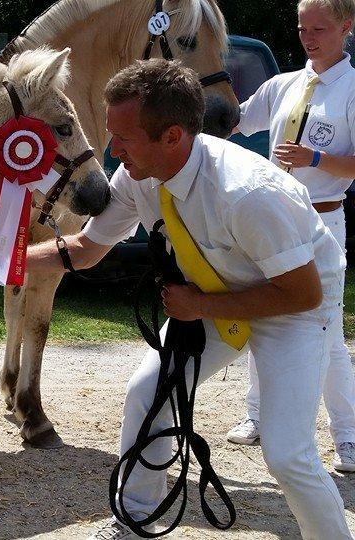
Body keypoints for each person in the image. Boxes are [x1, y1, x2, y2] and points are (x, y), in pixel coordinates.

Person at [23, 59, 351, 539]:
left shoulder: (246, 192)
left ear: (172, 137)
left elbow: (302, 293)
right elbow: (86, 250)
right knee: (148, 393)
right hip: (213, 292)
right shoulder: (138, 176)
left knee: (286, 453)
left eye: (124, 138)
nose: (113, 151)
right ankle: (134, 520)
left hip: (294, 306)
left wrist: (200, 306)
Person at [229, 0, 355, 474]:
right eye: (303, 27)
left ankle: (348, 436)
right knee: (262, 313)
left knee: (328, 331)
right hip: (273, 222)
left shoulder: (352, 91)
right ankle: (255, 415)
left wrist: (316, 160)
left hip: (324, 218)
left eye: (319, 28)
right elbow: (234, 121)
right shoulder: (282, 85)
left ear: (347, 27)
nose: (308, 36)